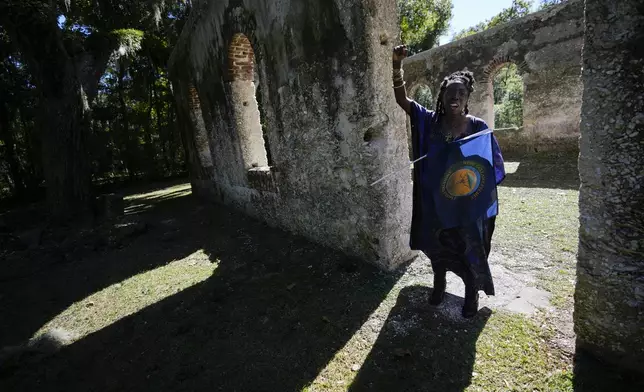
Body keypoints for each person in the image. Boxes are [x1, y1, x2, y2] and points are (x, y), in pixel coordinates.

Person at [391, 45, 506, 318]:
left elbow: (491, 163)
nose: (455, 97)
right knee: (437, 248)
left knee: (467, 248)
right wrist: (396, 66)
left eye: (461, 93)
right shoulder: (429, 121)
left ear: (467, 98)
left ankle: (471, 293)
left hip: (465, 203)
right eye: (449, 92)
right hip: (434, 201)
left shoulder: (477, 127)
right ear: (441, 96)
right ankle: (439, 285)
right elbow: (402, 100)